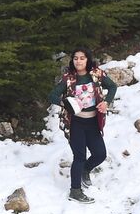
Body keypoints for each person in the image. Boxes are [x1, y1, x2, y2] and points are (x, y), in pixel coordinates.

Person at [49, 48, 118, 204]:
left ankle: (85, 170)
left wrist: (106, 102)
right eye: (75, 58)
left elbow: (113, 87)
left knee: (100, 154)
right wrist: (66, 103)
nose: (78, 61)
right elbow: (52, 95)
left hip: (93, 122)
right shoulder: (68, 78)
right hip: (75, 124)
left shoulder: (97, 74)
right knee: (79, 156)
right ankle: (75, 191)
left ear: (88, 60)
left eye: (82, 58)